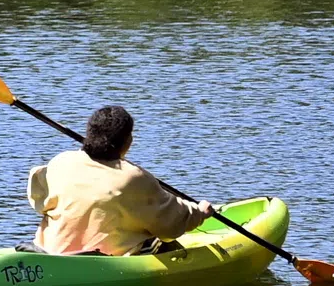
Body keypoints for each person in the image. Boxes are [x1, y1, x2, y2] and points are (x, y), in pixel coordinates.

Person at [32, 104, 207, 256]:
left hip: (51, 253)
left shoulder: (60, 162)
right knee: (160, 241)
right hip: (104, 262)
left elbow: (37, 198)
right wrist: (200, 212)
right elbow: (170, 224)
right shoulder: (133, 178)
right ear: (127, 141)